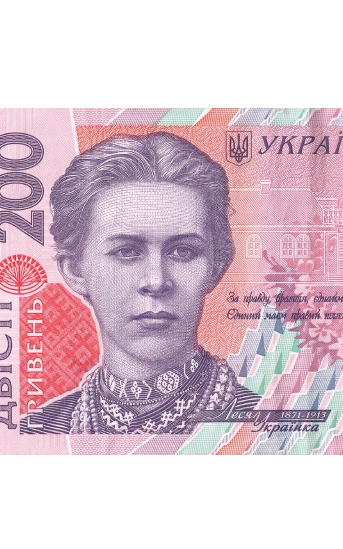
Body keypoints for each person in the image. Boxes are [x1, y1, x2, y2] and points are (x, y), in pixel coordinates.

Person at [21, 131, 259, 434]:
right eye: (127, 251)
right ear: (75, 271)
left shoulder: (266, 425)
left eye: (183, 251)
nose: (156, 282)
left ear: (216, 266)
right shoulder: (37, 432)